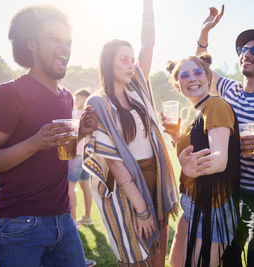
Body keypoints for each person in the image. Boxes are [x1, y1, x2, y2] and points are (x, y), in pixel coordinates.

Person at [0, 6, 98, 266]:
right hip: (18, 225)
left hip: (63, 220)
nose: (64, 46)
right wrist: (33, 143)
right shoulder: (9, 94)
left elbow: (62, 153)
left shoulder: (65, 96)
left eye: (67, 41)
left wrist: (81, 133)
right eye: (55, 38)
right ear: (32, 44)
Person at [82, 0, 179, 266]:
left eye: (131, 58)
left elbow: (148, 42)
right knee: (136, 256)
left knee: (159, 251)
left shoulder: (137, 88)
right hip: (127, 185)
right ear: (108, 63)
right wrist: (141, 208)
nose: (130, 64)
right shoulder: (98, 102)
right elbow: (113, 161)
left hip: (155, 177)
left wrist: (148, 4)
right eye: (122, 59)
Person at [195, 6, 254, 265]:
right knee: (228, 260)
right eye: (243, 49)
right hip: (229, 193)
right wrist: (204, 32)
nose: (246, 53)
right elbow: (199, 68)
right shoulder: (229, 89)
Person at [163, 54, 242, 267]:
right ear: (178, 86)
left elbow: (219, 159)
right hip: (193, 200)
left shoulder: (215, 105)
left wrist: (192, 168)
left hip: (213, 205)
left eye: (197, 72)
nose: (191, 78)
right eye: (184, 75)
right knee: (177, 263)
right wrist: (175, 136)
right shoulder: (198, 112)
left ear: (208, 77)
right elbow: (195, 152)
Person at [68, 88, 93, 228]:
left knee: (70, 186)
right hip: (86, 153)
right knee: (85, 185)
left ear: (84, 98)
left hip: (76, 154)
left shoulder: (77, 114)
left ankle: (74, 220)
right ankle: (87, 217)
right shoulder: (92, 115)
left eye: (78, 98)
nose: (75, 100)